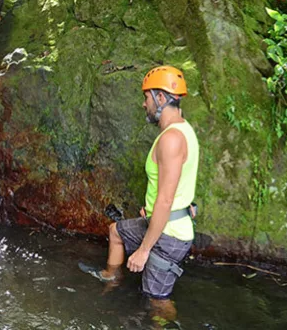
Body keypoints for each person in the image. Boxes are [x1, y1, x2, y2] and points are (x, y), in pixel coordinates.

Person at [82, 66, 199, 326]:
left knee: (157, 301)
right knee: (116, 231)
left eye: (146, 97)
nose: (143, 103)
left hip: (169, 236)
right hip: (163, 222)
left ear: (160, 97)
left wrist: (144, 250)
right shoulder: (183, 130)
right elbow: (176, 185)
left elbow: (166, 201)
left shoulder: (171, 140)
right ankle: (110, 280)